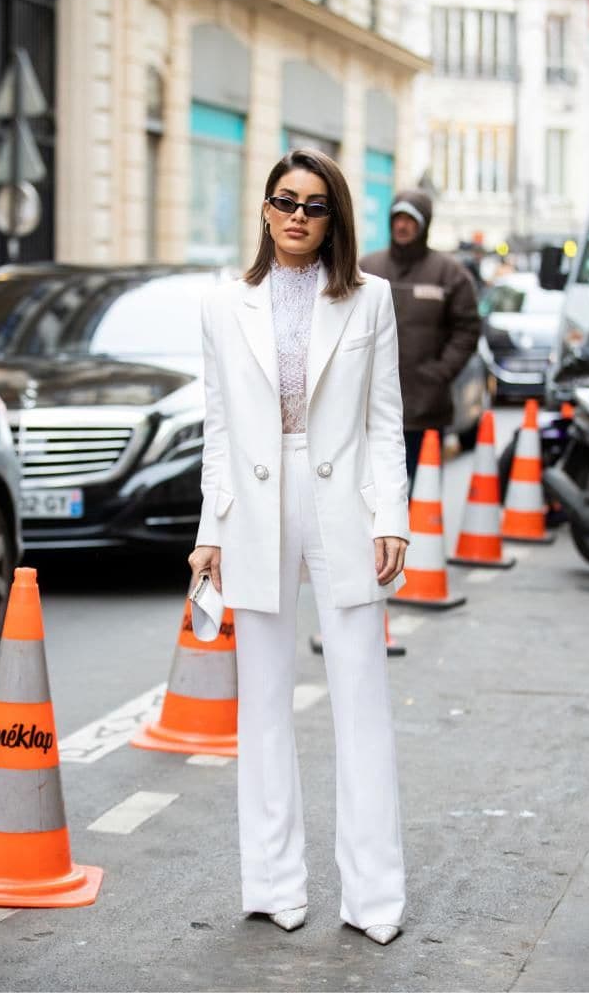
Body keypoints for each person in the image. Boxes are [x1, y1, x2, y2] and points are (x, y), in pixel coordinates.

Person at [188, 149, 410, 946]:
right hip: (253, 503)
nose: (296, 216)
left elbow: (385, 420)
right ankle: (274, 886)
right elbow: (218, 428)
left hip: (343, 500)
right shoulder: (223, 304)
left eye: (314, 206)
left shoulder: (370, 299)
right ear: (265, 208)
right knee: (264, 707)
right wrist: (210, 533)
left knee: (362, 701)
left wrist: (392, 516)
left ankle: (374, 898)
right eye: (284, 201)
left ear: (333, 219)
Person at [360, 190, 481, 480]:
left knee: (420, 495)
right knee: (372, 494)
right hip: (370, 408)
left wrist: (440, 372)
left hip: (425, 410)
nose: (402, 226)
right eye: (397, 219)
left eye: (410, 220)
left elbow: (468, 329)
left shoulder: (449, 274)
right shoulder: (367, 268)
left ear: (424, 225)